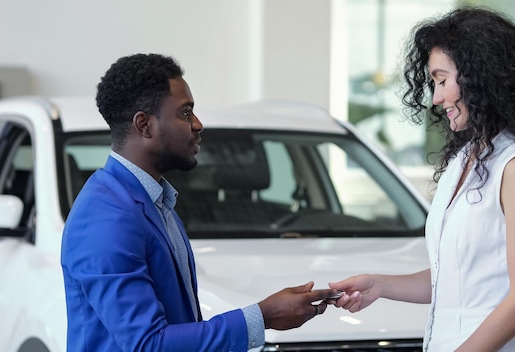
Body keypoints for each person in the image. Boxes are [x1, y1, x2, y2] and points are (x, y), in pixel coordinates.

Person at [329, 7, 515, 352]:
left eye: (441, 80)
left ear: (479, 76)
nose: (436, 98)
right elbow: (458, 281)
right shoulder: (465, 160)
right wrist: (379, 285)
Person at [60, 53, 338, 351]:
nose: (197, 124)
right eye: (185, 113)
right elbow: (149, 345)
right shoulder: (106, 217)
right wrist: (263, 317)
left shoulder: (154, 200)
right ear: (144, 125)